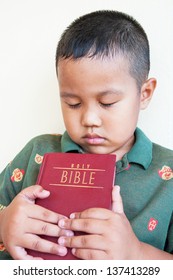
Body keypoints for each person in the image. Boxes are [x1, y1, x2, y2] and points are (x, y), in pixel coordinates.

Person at [0, 10, 173, 260]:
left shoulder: (168, 175)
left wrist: (135, 253)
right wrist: (5, 221)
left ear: (144, 93)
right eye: (72, 104)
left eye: (107, 102)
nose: (89, 119)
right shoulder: (37, 152)